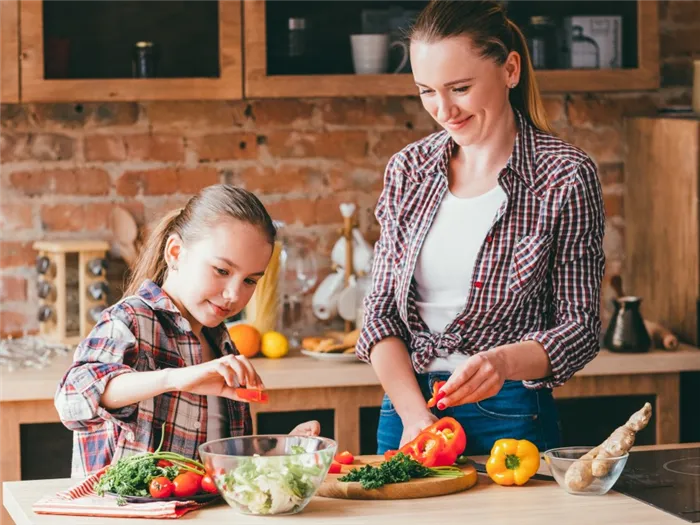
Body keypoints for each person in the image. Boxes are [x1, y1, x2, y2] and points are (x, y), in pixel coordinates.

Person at [356, 0, 605, 456]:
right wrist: (415, 416)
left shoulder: (564, 175)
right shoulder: (407, 170)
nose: (443, 109)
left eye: (460, 88)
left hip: (509, 410)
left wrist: (502, 362)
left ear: (510, 70)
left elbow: (580, 327)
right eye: (426, 91)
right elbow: (379, 315)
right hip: (406, 410)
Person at [55, 184, 319, 476]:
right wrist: (177, 378)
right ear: (176, 253)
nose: (234, 295)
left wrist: (279, 452)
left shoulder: (221, 341)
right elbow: (71, 399)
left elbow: (218, 465)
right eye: (222, 270)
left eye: (249, 281)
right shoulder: (130, 320)